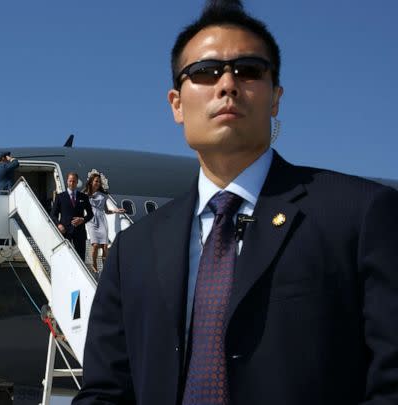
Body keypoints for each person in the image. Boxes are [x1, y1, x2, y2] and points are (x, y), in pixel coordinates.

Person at [73, 1, 398, 404]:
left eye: (248, 70)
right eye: (205, 73)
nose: (227, 84)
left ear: (275, 98)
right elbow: (105, 392)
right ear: (176, 103)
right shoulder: (133, 252)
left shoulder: (362, 216)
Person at [83, 172, 124, 273]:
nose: (98, 183)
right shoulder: (85, 195)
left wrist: (116, 211)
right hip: (91, 220)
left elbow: (106, 211)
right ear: (91, 182)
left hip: (102, 220)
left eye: (99, 182)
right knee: (95, 245)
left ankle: (105, 268)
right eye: (96, 181)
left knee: (105, 246)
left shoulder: (103, 195)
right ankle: (94, 263)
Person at [51, 172, 94, 261]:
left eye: (74, 181)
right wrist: (59, 225)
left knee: (80, 258)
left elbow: (90, 214)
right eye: (70, 181)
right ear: (67, 181)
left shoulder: (84, 197)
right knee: (64, 256)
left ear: (77, 182)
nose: (72, 183)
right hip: (65, 232)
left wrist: (82, 219)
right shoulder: (60, 197)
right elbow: (53, 215)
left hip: (80, 232)